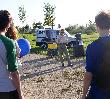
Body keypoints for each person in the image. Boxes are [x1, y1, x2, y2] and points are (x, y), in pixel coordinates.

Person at [81, 11, 110, 99]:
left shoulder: (92, 47)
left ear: (97, 27)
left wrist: (84, 95)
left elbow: (88, 75)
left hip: (99, 91)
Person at [0, 10, 24, 99]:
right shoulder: (9, 43)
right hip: (6, 89)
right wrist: (20, 94)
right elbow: (13, 72)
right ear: (8, 24)